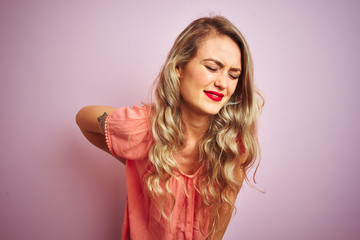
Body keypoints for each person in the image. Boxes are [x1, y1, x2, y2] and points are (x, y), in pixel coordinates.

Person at [76, 15, 263, 240]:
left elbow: (215, 236)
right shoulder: (143, 128)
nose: (223, 83)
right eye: (212, 67)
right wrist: (135, 162)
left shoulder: (233, 148)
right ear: (179, 68)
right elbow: (83, 118)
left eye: (234, 75)